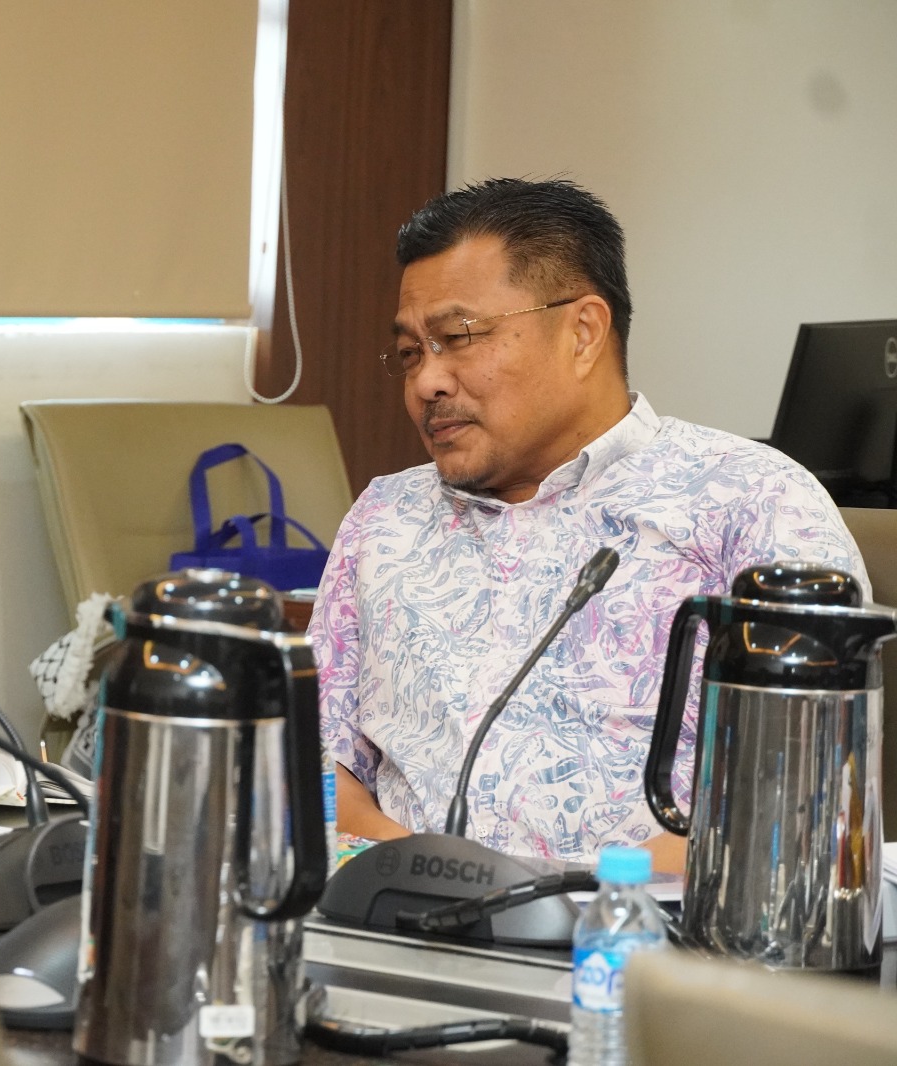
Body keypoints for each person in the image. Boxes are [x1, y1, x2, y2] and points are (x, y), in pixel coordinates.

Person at [310, 177, 865, 869]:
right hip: (398, 910)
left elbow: (794, 803)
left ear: (582, 333)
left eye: (458, 338)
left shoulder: (752, 502)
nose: (427, 382)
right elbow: (320, 771)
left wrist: (559, 903)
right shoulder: (385, 516)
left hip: (646, 927)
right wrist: (449, 886)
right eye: (411, 353)